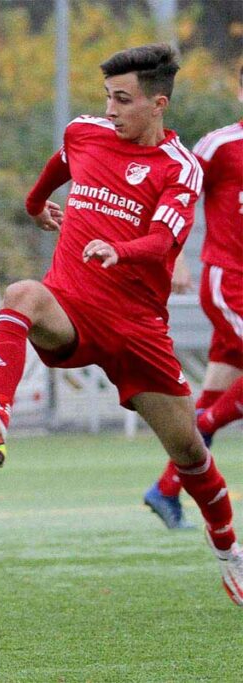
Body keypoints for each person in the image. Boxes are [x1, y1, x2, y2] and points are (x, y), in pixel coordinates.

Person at [0, 44, 242, 606]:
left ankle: (229, 554)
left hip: (138, 329)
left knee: (190, 452)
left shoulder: (178, 166)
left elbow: (165, 240)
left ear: (157, 103)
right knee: (21, 294)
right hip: (72, 304)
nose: (109, 110)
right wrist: (36, 203)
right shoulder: (84, 133)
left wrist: (123, 250)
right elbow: (57, 167)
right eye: (107, 98)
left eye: (122, 99)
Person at [143, 65, 243, 530]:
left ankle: (166, 489)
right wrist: (173, 254)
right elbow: (174, 188)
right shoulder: (220, 146)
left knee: (215, 395)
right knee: (212, 411)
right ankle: (200, 431)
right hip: (230, 282)